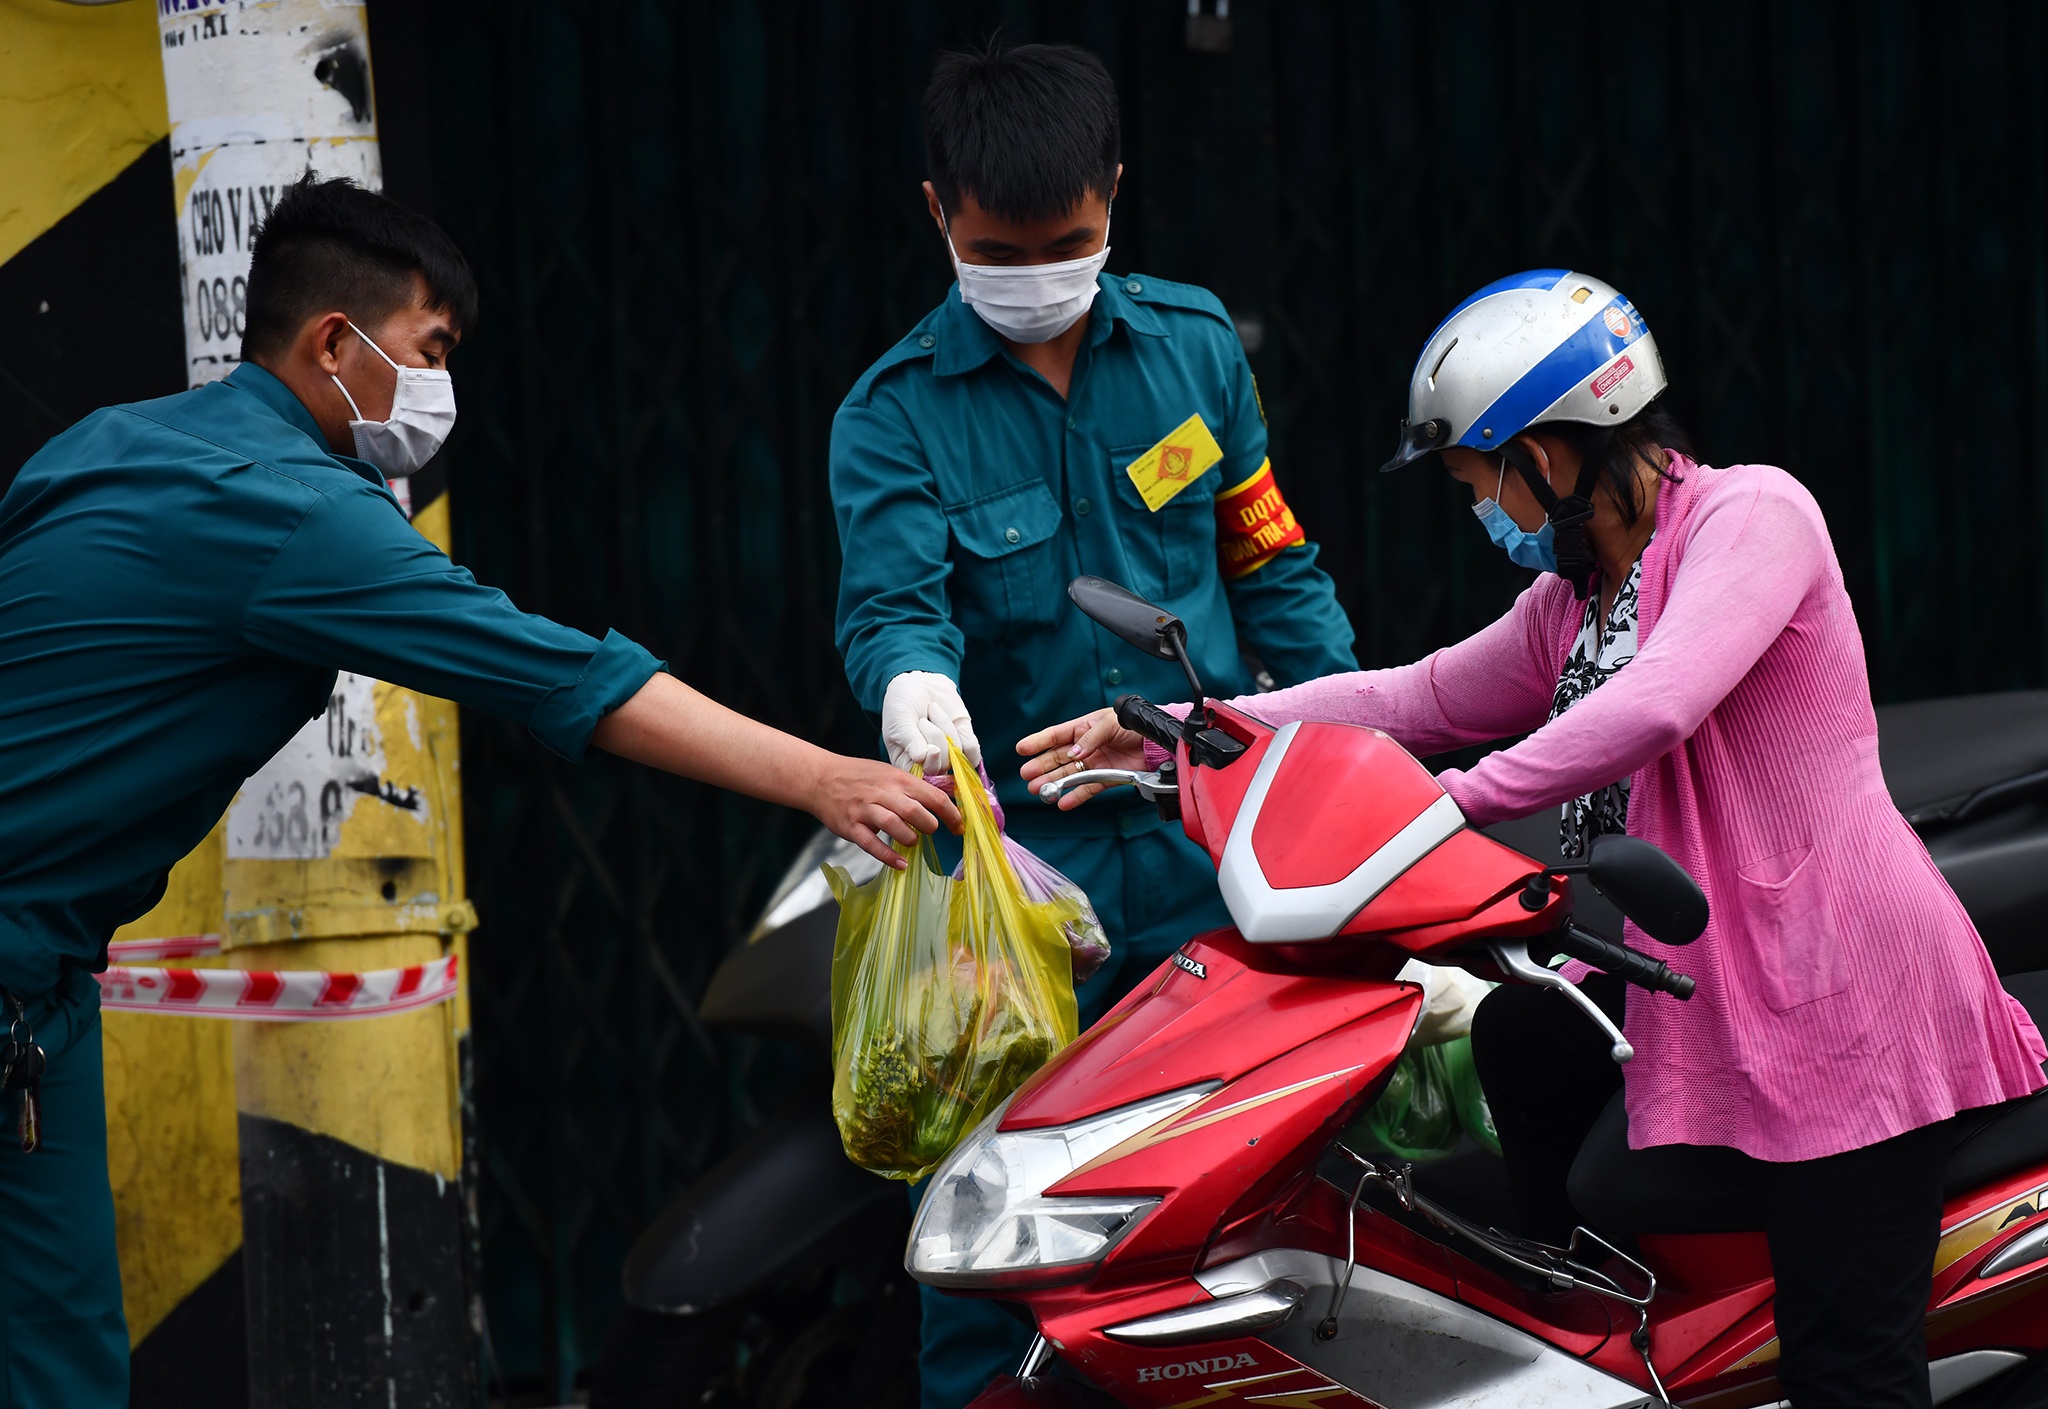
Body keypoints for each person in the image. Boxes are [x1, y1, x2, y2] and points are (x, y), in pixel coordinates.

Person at [0, 175, 959, 1407]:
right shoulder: (296, 510)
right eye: (430, 347)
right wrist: (828, 778)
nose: (442, 386)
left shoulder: (105, 441)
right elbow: (561, 671)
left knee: (60, 1360)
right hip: (19, 974)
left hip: (40, 995)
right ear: (333, 342)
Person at [1021, 269, 2048, 1409]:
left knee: (1846, 1373)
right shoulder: (1576, 594)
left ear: (1544, 458)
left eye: (1475, 480)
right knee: (1522, 1026)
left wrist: (1443, 804)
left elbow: (1656, 701)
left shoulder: (1752, 516)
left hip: (1843, 1002)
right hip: (1705, 982)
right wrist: (1187, 733)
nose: (1481, 510)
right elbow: (1415, 695)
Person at [827, 40, 1357, 1409]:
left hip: (1213, 862)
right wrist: (910, 686)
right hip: (1019, 910)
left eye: (1070, 239)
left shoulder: (1190, 351)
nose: (1038, 269)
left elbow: (1272, 569)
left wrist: (1357, 747)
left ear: (1115, 197)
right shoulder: (891, 419)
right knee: (999, 1258)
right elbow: (892, 605)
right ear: (936, 213)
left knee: (1251, 1228)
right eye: (1002, 246)